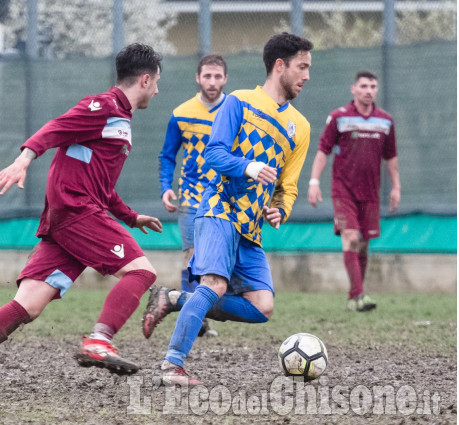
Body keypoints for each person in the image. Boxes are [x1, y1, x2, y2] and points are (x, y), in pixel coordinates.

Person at [0, 43, 163, 387]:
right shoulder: (103, 106)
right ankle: (99, 340)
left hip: (71, 218)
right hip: (77, 211)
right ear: (144, 79)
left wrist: (131, 216)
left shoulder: (120, 120)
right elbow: (55, 128)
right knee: (142, 273)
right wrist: (22, 161)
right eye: (156, 82)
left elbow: (101, 184)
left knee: (28, 306)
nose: (157, 90)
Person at [143, 33, 313, 386]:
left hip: (250, 227)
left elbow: (290, 184)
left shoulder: (301, 127)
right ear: (279, 66)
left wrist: (281, 208)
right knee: (215, 284)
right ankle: (172, 366)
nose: (306, 75)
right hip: (218, 209)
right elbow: (214, 153)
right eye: (302, 67)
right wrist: (249, 166)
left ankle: (175, 298)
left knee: (262, 306)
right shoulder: (238, 102)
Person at [307, 70, 400, 312]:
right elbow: (323, 150)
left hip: (370, 193)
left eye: (372, 86)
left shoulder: (386, 121)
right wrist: (314, 181)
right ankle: (359, 296)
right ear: (354, 89)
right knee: (351, 237)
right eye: (364, 86)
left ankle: (352, 297)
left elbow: (391, 157)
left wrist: (396, 187)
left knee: (364, 244)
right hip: (343, 190)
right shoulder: (339, 117)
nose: (369, 90)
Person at [154, 54, 229, 339]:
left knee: (219, 260)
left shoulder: (235, 111)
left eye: (217, 76)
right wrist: (165, 186)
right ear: (198, 78)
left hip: (225, 197)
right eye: (207, 76)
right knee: (192, 258)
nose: (212, 82)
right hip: (192, 195)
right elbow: (167, 155)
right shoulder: (181, 113)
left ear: (225, 79)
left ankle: (199, 309)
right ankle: (194, 320)